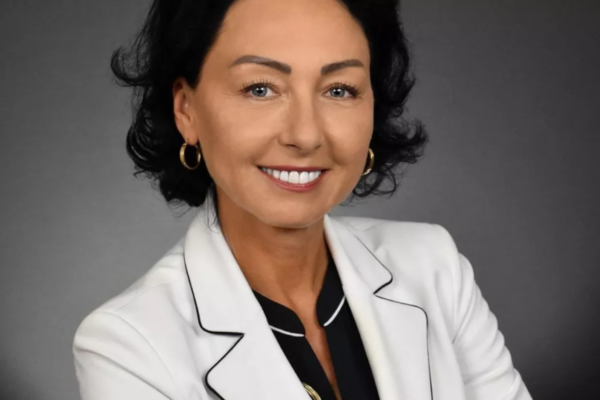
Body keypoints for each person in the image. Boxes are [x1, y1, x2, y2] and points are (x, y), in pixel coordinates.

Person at [72, 0, 533, 399]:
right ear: (186, 110)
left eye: (339, 90)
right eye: (260, 88)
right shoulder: (128, 345)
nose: (306, 134)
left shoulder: (435, 267)